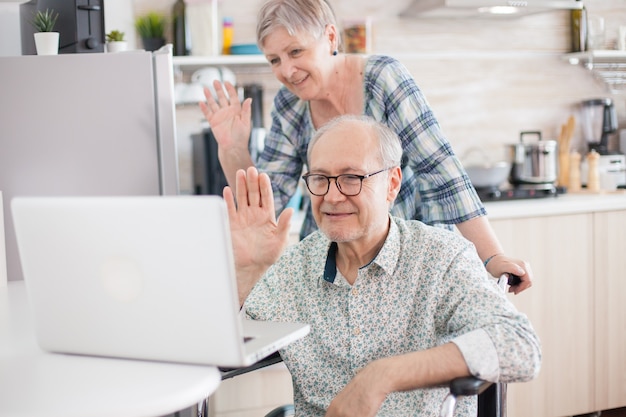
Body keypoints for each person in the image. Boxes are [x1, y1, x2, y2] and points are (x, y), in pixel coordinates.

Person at [201, 0, 533, 293]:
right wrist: (233, 149)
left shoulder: (382, 78)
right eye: (274, 60)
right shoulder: (290, 105)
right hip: (337, 258)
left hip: (407, 254)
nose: (286, 70)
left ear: (330, 37)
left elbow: (442, 171)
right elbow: (266, 202)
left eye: (296, 52)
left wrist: (492, 256)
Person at [224, 115, 541, 417]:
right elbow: (224, 352)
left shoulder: (442, 258)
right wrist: (247, 277)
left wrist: (382, 375)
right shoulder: (294, 269)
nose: (332, 196)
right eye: (320, 178)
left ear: (392, 184)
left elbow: (521, 346)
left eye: (351, 178)